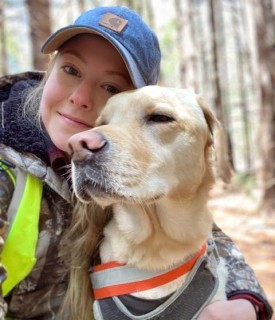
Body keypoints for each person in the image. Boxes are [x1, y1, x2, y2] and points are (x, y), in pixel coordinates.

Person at [0, 5, 273, 320]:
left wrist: (247, 298)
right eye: (71, 70)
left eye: (111, 87)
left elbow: (206, 230)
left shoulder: (121, 167)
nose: (80, 96)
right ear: (49, 71)